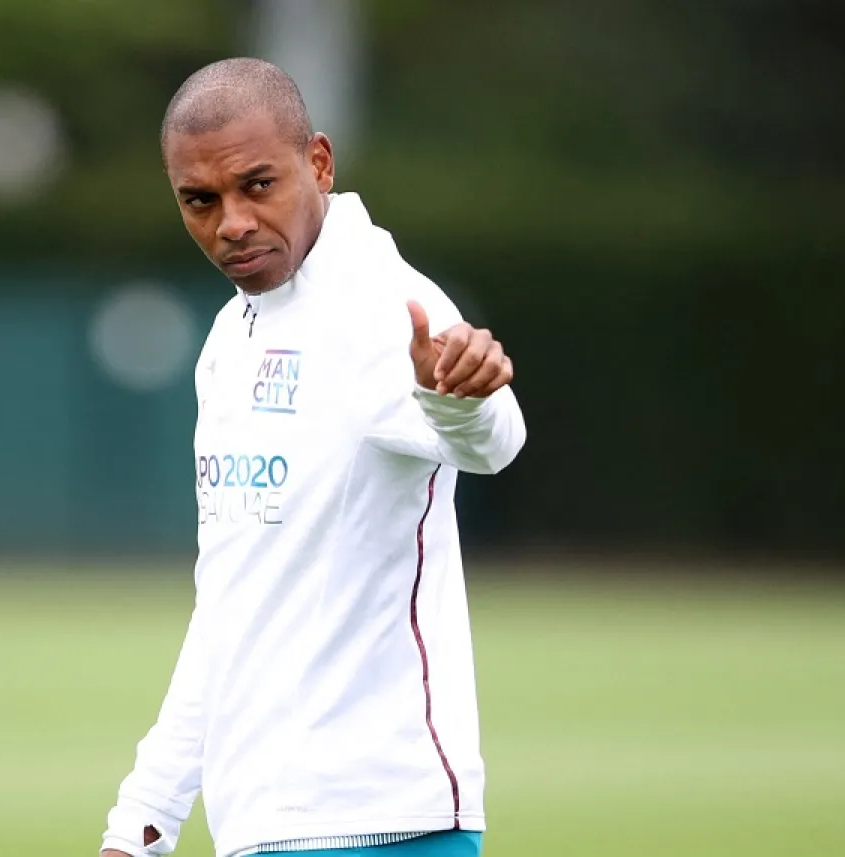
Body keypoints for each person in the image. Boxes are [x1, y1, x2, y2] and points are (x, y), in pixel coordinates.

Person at [99, 58, 526, 857]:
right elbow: (231, 601)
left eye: (257, 185)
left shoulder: (383, 301)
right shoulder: (232, 335)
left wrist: (463, 396)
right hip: (265, 826)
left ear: (319, 163)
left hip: (384, 822)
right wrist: (143, 820)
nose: (231, 222)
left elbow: (493, 443)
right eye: (200, 200)